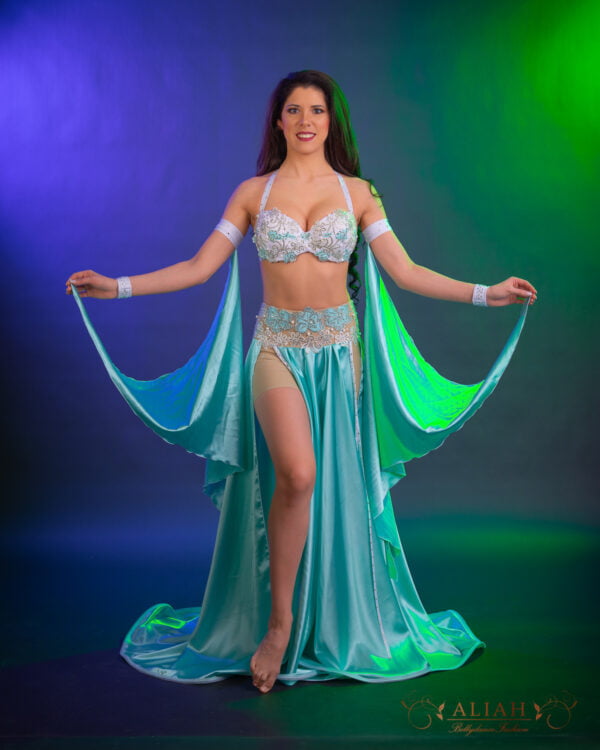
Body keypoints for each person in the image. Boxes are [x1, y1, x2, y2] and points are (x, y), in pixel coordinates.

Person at [66, 70, 537, 695]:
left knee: (330, 483)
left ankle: (331, 615)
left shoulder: (359, 193)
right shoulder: (253, 193)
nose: (306, 120)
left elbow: (405, 271)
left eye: (317, 110)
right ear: (279, 121)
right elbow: (199, 267)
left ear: (331, 121)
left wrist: (487, 294)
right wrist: (116, 287)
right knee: (298, 474)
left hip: (341, 355)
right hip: (276, 350)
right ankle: (280, 623)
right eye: (294, 110)